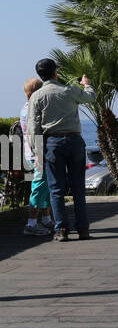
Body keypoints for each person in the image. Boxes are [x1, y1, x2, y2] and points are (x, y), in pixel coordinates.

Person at [26, 59, 94, 241]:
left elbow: (33, 128)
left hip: (52, 143)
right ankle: (83, 230)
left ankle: (61, 230)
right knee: (78, 187)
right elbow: (90, 98)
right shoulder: (69, 91)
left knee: (56, 188)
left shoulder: (36, 97)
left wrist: (37, 151)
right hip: (74, 140)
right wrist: (86, 85)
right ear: (55, 73)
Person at [19, 77, 53, 235]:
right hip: (36, 154)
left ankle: (46, 220)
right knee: (39, 187)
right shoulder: (32, 110)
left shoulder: (25, 108)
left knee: (44, 186)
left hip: (32, 154)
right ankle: (31, 224)